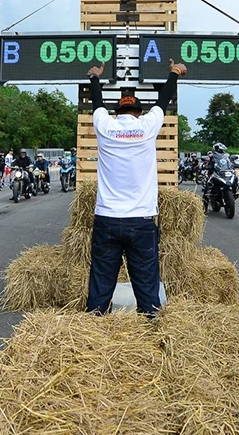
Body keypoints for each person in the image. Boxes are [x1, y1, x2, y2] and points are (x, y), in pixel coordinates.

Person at [84, 58, 185, 317]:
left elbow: (97, 104)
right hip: (140, 220)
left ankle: (94, 323)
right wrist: (174, 73)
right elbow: (162, 102)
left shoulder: (104, 127)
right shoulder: (146, 127)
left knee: (101, 279)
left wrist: (95, 77)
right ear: (139, 112)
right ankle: (151, 325)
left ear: (116, 113)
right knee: (146, 280)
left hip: (107, 218)